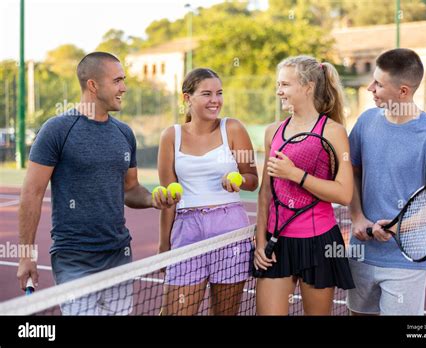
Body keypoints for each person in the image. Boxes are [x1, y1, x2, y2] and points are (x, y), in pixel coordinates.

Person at [16, 52, 179, 315]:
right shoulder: (57, 130)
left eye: (123, 80)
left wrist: (152, 199)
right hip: (73, 258)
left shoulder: (124, 132)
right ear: (93, 85)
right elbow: (31, 194)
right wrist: (26, 256)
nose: (124, 87)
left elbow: (131, 189)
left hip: (118, 255)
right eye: (117, 81)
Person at [347, 48, 426, 315]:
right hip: (362, 252)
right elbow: (352, 171)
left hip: (405, 261)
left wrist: (399, 227)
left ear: (403, 92)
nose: (370, 88)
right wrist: (357, 217)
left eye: (379, 84)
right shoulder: (365, 122)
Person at [253, 55, 355, 315]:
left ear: (308, 86)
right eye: (278, 84)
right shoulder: (272, 132)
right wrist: (260, 241)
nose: (279, 91)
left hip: (319, 242)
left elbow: (344, 193)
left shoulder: (333, 131)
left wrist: (295, 174)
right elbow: (266, 192)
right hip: (277, 244)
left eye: (285, 85)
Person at [158, 68, 259, 315]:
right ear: (187, 98)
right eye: (206, 93)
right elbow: (169, 200)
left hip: (230, 230)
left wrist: (238, 180)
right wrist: (163, 245)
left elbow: (253, 179)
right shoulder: (171, 135)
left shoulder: (233, 128)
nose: (215, 100)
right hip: (186, 231)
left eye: (219, 93)